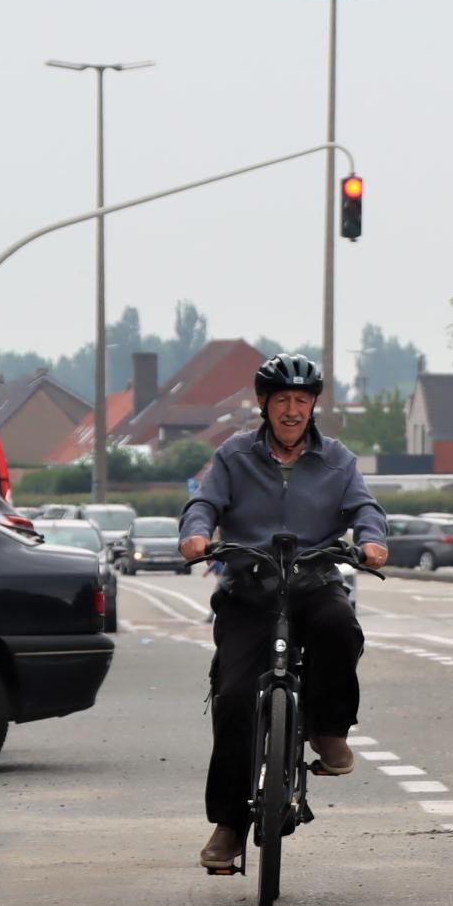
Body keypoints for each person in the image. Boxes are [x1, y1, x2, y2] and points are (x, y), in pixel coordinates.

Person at [179, 354, 388, 871]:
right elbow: (204, 503)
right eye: (281, 401)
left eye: (301, 400)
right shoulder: (233, 456)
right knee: (232, 699)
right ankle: (228, 827)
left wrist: (372, 541)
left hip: (313, 581)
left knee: (340, 627)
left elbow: (365, 509)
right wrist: (196, 534)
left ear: (313, 405)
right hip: (250, 590)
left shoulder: (337, 459)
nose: (291, 410)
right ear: (264, 406)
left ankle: (329, 730)